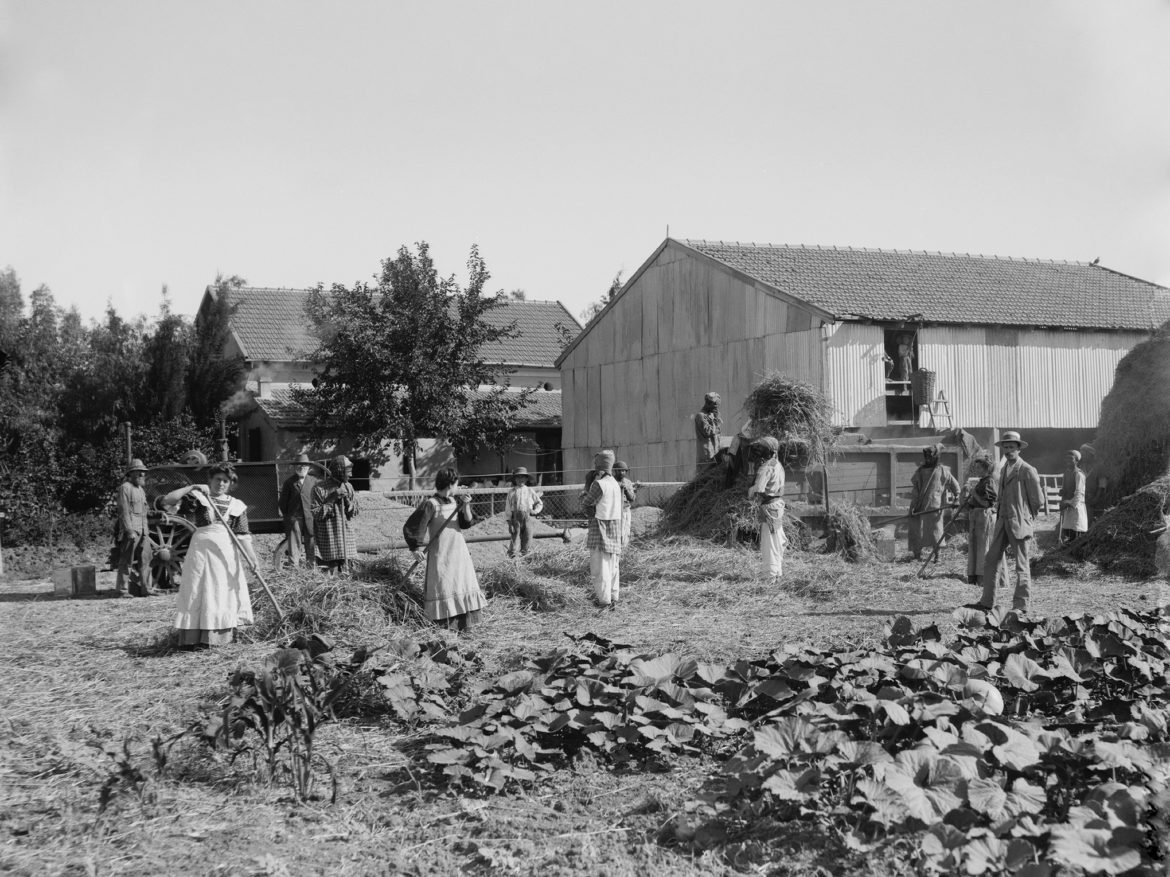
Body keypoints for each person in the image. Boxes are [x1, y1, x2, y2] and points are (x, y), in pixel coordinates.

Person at [165, 462, 256, 649]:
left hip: (225, 553)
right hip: (201, 551)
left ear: (231, 483)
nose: (221, 484)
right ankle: (193, 639)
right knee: (199, 589)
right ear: (210, 480)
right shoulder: (198, 498)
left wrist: (253, 560)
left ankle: (218, 638)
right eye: (217, 479)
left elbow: (243, 536)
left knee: (220, 590)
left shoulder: (237, 506)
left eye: (225, 480)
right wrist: (192, 487)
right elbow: (169, 500)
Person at [970, 431, 1043, 613]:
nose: (1008, 450)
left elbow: (1038, 500)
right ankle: (987, 602)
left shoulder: (1027, 470)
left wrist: (1026, 517)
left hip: (1019, 524)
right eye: (1005, 447)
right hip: (1001, 523)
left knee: (1021, 565)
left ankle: (1021, 606)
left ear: (1019, 449)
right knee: (990, 560)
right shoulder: (1003, 470)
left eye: (1012, 447)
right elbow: (1000, 496)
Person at [411, 467, 485, 631]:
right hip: (442, 552)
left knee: (461, 583)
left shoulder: (454, 502)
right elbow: (416, 525)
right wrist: (416, 548)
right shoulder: (431, 504)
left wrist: (466, 505)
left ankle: (465, 625)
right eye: (457, 483)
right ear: (450, 484)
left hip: (458, 551)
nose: (458, 486)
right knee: (444, 585)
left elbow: (466, 523)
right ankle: (446, 626)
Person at [583, 450, 622, 608]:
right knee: (613, 564)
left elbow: (587, 503)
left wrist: (587, 485)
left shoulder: (599, 484)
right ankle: (613, 598)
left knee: (600, 567)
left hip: (600, 527)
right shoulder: (615, 484)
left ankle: (604, 601)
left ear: (599, 467)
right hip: (614, 525)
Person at [908, 445, 960, 560]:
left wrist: (957, 498)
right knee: (917, 530)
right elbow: (915, 489)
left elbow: (955, 485)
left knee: (936, 531)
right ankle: (917, 555)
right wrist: (913, 505)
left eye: (930, 457)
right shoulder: (920, 471)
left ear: (936, 457)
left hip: (934, 507)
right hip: (919, 507)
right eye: (926, 457)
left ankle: (937, 555)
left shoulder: (942, 470)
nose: (928, 459)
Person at [747, 437, 787, 583]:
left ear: (768, 451)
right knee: (777, 541)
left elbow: (758, 489)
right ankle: (777, 573)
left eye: (761, 448)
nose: (759, 451)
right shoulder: (779, 465)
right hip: (778, 505)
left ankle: (769, 577)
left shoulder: (766, 468)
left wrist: (750, 489)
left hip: (769, 507)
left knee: (769, 543)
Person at [963, 457, 1005, 590]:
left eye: (979, 468)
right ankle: (976, 577)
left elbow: (987, 503)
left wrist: (974, 493)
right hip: (978, 519)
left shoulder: (990, 482)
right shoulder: (982, 481)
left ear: (987, 469)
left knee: (985, 548)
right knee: (977, 548)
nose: (977, 470)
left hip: (986, 519)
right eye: (976, 468)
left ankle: (985, 579)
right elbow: (976, 502)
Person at [115, 459, 154, 597]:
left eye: (143, 472)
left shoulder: (141, 490)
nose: (142, 474)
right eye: (139, 472)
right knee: (127, 560)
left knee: (146, 559)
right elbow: (123, 511)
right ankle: (122, 590)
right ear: (131, 474)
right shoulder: (125, 488)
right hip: (133, 530)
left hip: (144, 530)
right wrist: (129, 530)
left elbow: (145, 510)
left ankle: (146, 589)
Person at [313, 455, 358, 574]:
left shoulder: (349, 487)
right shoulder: (319, 488)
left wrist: (348, 501)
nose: (351, 475)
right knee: (330, 580)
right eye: (348, 472)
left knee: (349, 579)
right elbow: (316, 514)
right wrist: (332, 498)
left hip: (346, 542)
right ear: (339, 471)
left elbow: (355, 511)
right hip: (329, 543)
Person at [279, 453, 319, 567]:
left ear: (308, 467)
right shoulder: (289, 483)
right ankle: (294, 569)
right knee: (294, 544)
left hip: (310, 517)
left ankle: (311, 568)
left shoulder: (313, 481)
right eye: (299, 466)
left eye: (304, 466)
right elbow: (282, 503)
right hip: (295, 518)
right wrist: (289, 516)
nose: (302, 468)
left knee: (310, 543)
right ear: (295, 467)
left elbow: (317, 499)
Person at [504, 467, 543, 558]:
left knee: (527, 540)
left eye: (523, 477)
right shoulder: (511, 492)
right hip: (515, 519)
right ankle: (513, 560)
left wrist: (535, 511)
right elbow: (508, 508)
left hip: (527, 518)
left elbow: (539, 503)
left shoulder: (529, 491)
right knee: (515, 542)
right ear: (515, 479)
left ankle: (525, 560)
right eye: (518, 477)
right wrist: (509, 523)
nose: (520, 479)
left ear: (526, 479)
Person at [1059, 449, 1088, 544]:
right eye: (1066, 459)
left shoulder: (1079, 474)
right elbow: (1065, 488)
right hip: (1067, 505)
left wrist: (1069, 504)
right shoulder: (1066, 473)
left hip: (1076, 507)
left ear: (1076, 460)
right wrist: (1062, 492)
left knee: (1076, 531)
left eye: (1071, 459)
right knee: (1068, 531)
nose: (1068, 461)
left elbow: (1079, 493)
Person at [1080, 443, 1108, 527]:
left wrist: (1096, 498)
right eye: (1081, 454)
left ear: (1090, 454)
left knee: (1091, 522)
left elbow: (1102, 485)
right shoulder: (1080, 467)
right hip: (1082, 499)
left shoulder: (1099, 467)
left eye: (1084, 454)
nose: (1082, 456)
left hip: (1094, 499)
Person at [694, 392, 723, 468]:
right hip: (706, 456)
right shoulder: (701, 416)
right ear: (708, 404)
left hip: (714, 454)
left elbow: (718, 432)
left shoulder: (712, 415)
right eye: (715, 405)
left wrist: (716, 418)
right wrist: (715, 421)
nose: (716, 408)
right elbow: (708, 432)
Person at [613, 460, 637, 549]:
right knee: (618, 532)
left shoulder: (627, 482)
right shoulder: (611, 482)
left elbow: (632, 498)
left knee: (626, 530)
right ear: (615, 471)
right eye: (619, 470)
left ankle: (624, 548)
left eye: (624, 470)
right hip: (616, 511)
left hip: (626, 510)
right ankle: (617, 548)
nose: (622, 472)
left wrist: (626, 490)